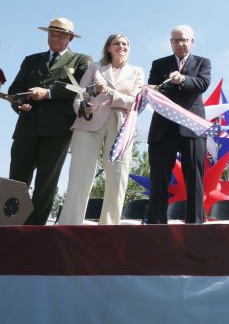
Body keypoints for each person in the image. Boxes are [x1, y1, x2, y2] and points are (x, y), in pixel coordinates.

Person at [8, 18, 90, 225]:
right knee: (16, 180)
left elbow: (81, 90)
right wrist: (20, 104)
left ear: (70, 38)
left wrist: (49, 93)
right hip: (27, 127)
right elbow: (15, 90)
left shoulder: (81, 60)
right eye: (51, 34)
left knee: (47, 182)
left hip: (58, 130)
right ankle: (10, 225)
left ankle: (35, 230)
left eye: (60, 35)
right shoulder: (31, 60)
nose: (54, 38)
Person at [58, 34, 144, 225]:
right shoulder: (94, 67)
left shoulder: (137, 71)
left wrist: (109, 92)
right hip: (89, 123)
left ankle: (110, 226)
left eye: (125, 43)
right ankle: (69, 225)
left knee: (118, 176)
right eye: (117, 43)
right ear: (108, 47)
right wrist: (82, 108)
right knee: (79, 174)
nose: (121, 46)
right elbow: (80, 95)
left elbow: (134, 102)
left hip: (121, 126)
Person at [147, 25, 211, 224]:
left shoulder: (202, 62)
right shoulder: (159, 64)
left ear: (192, 41)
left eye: (184, 40)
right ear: (170, 43)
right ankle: (156, 224)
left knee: (194, 178)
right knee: (158, 178)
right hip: (162, 128)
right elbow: (154, 89)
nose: (180, 44)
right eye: (175, 40)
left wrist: (182, 79)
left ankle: (195, 224)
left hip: (192, 128)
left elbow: (202, 84)